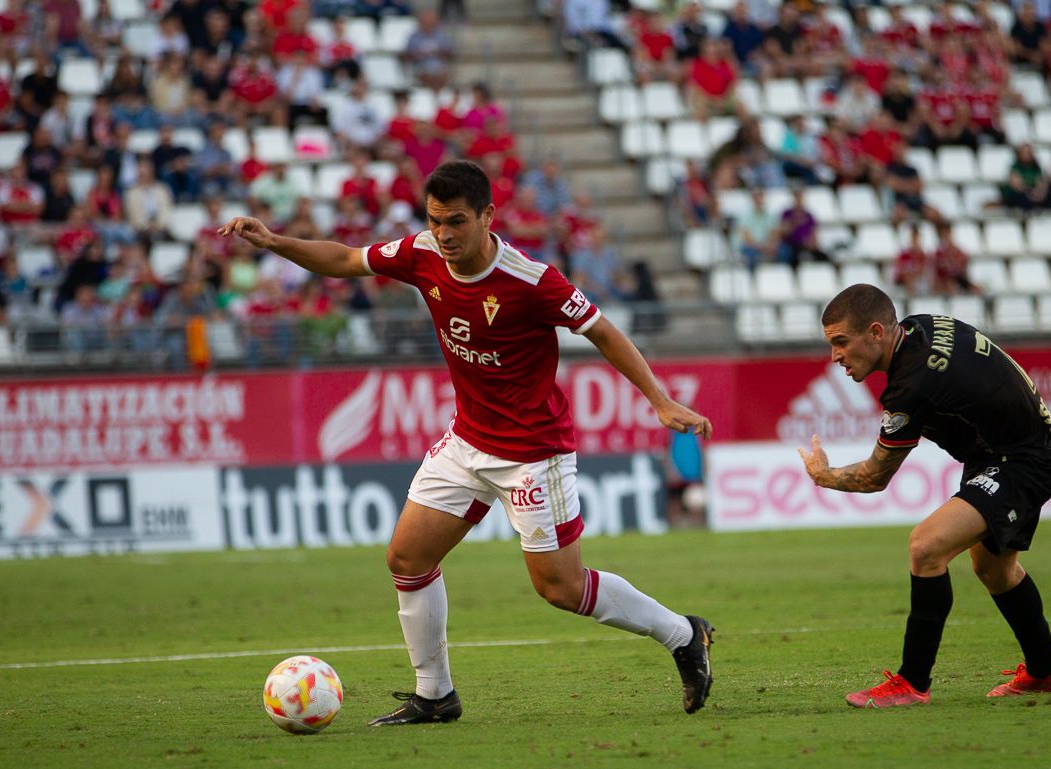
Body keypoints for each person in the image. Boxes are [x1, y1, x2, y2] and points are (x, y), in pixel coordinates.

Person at [217, 159, 715, 724]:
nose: (444, 234)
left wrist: (659, 398)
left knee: (559, 587)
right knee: (408, 557)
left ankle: (683, 634)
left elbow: (600, 329)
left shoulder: (531, 280)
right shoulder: (421, 254)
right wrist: (275, 241)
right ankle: (435, 695)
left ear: (487, 216)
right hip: (466, 441)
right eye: (435, 221)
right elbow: (347, 260)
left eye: (456, 221)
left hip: (532, 454)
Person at [797, 284, 1051, 707]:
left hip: (1024, 460)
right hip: (1008, 450)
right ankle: (1048, 670)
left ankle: (912, 683)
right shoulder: (921, 328)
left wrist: (824, 475)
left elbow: (875, 476)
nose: (835, 356)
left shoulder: (911, 385)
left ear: (875, 332)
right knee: (994, 570)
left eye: (840, 342)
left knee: (926, 547)